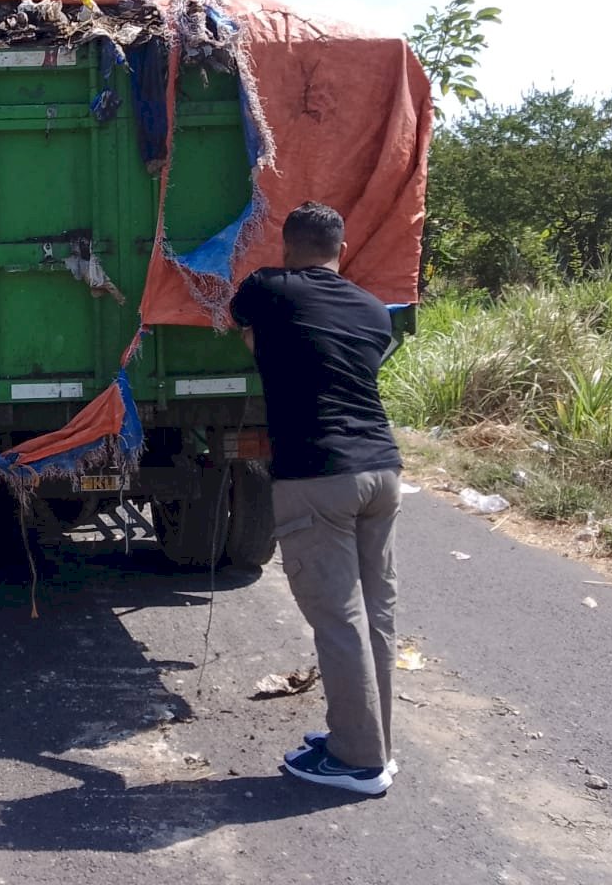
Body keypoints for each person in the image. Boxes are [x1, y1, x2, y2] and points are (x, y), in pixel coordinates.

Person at [230, 201, 403, 796]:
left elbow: (252, 339)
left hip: (317, 474)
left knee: (337, 617)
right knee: (375, 614)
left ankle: (359, 761)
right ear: (342, 248)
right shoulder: (374, 310)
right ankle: (374, 743)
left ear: (285, 246)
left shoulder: (267, 289)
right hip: (382, 470)